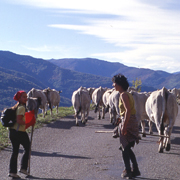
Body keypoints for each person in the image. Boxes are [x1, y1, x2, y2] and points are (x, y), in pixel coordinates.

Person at [112, 74, 140, 179]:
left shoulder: (123, 95)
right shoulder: (128, 94)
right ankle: (135, 169)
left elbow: (127, 111)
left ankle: (128, 171)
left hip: (128, 122)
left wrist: (124, 126)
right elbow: (127, 111)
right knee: (127, 147)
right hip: (131, 121)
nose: (113, 85)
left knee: (124, 148)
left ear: (119, 84)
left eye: (114, 83)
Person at [8, 90, 35, 178]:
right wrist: (29, 122)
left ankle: (12, 172)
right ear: (19, 98)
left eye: (26, 97)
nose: (26, 98)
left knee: (15, 151)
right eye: (23, 97)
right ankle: (23, 168)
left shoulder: (15, 107)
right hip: (19, 132)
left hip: (12, 131)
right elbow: (19, 120)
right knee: (27, 148)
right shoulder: (22, 108)